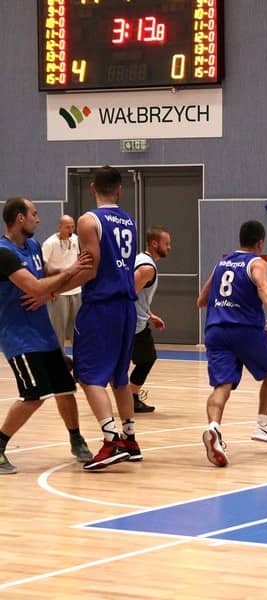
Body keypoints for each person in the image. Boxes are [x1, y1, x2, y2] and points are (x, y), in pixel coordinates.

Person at [0, 197, 93, 473]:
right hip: (19, 337)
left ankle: (76, 439)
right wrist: (68, 273)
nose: (38, 219)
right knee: (34, 394)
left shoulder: (32, 246)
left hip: (44, 334)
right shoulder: (4, 253)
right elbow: (36, 287)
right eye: (34, 214)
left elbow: (48, 275)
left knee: (65, 389)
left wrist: (68, 275)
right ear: (19, 218)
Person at [68, 166, 141, 470]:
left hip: (101, 306)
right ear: (120, 190)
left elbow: (90, 269)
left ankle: (111, 442)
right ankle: (130, 439)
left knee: (88, 375)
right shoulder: (129, 221)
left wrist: (52, 288)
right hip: (126, 307)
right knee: (119, 377)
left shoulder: (89, 220)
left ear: (92, 187)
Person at [197, 220, 267, 467]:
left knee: (222, 386)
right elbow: (263, 286)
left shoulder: (222, 263)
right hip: (244, 329)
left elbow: (201, 300)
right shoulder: (257, 263)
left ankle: (214, 428)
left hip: (215, 330)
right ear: (260, 242)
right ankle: (262, 425)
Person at [129, 226, 172, 413]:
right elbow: (128, 294)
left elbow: (138, 297)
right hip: (133, 324)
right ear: (154, 244)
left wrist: (150, 315)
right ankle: (131, 398)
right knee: (147, 359)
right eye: (166, 243)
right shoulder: (147, 268)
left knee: (141, 359)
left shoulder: (141, 260)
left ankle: (130, 396)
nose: (169, 247)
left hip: (137, 320)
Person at [41, 214, 81, 360]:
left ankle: (80, 359)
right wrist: (50, 288)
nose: (70, 230)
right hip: (59, 293)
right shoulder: (50, 243)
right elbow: (43, 267)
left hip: (76, 290)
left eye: (72, 226)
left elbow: (78, 260)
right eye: (67, 227)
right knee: (58, 329)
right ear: (60, 227)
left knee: (78, 329)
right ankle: (59, 361)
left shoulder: (76, 239)